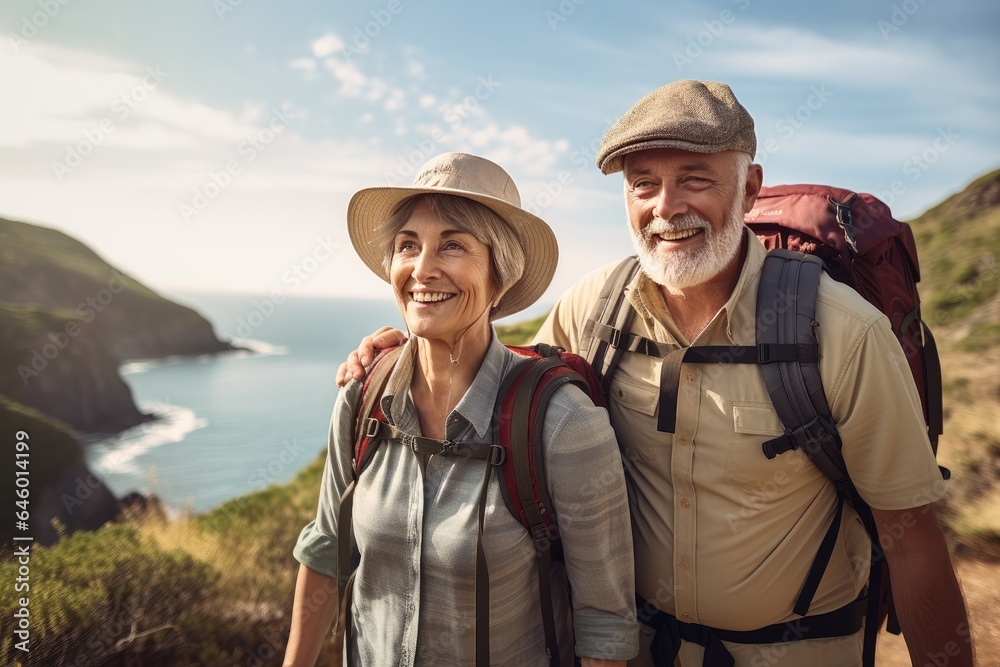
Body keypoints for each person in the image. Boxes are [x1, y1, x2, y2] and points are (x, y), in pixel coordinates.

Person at [336, 82, 972, 666]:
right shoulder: (596, 307)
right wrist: (411, 346)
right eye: (643, 185)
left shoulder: (840, 331)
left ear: (750, 188)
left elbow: (911, 539)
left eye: (695, 179)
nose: (666, 208)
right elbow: (501, 382)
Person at [284, 152, 639, 667]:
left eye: (452, 245)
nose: (422, 268)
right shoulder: (361, 399)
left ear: (500, 278)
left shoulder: (563, 423)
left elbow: (605, 624)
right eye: (409, 245)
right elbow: (326, 553)